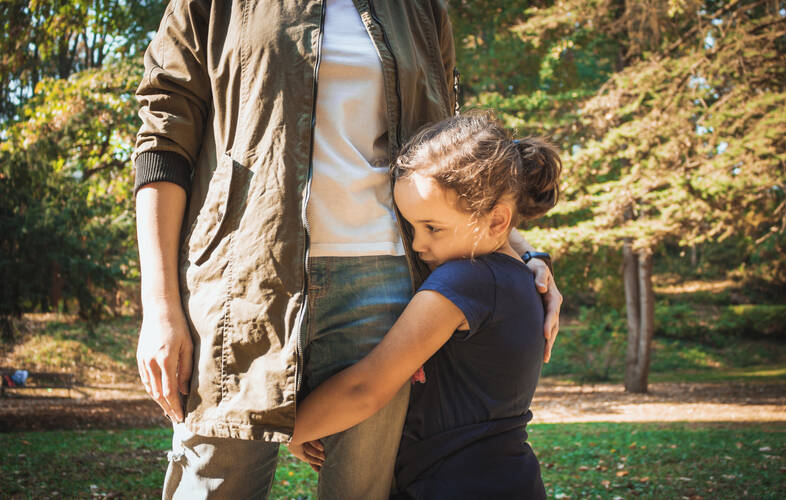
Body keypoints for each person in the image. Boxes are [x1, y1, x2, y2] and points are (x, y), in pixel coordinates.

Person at [133, 1, 562, 498]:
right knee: (211, 483)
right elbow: (163, 137)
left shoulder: (420, 8)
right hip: (241, 283)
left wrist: (521, 255)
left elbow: (456, 169)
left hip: (386, 285)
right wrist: (159, 306)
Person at [288, 111, 559, 500]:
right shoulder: (517, 279)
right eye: (411, 226)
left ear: (498, 221)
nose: (417, 245)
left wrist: (295, 428)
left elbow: (366, 387)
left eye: (433, 228)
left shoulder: (466, 280)